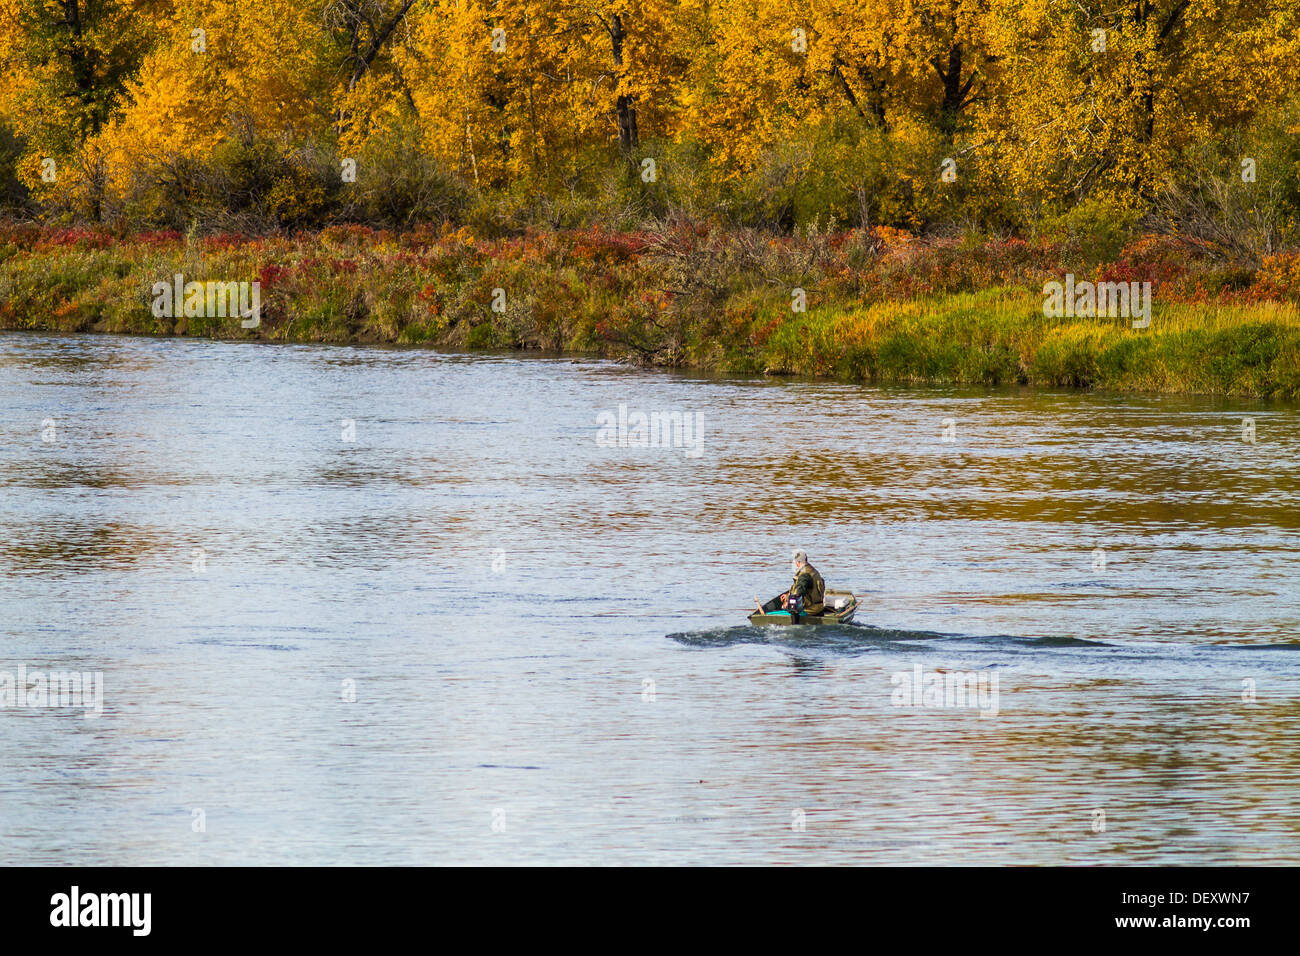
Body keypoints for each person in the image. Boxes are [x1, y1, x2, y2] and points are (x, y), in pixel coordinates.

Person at [756, 550, 825, 620]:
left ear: (797, 562)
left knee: (769, 614)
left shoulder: (804, 575)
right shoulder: (814, 571)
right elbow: (808, 590)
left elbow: (798, 593)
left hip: (809, 610)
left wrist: (788, 602)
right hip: (819, 607)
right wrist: (787, 596)